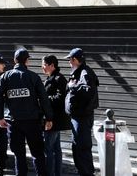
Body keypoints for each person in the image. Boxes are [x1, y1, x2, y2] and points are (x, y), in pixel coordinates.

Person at [0, 48, 53, 176]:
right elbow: (44, 99)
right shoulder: (33, 77)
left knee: (19, 155)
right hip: (32, 122)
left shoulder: (5, 77)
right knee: (37, 154)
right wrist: (49, 118)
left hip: (14, 123)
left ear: (14, 60)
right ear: (27, 61)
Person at [64, 48, 99, 176]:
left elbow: (89, 91)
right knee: (78, 147)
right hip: (78, 116)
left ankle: (87, 173)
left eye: (70, 59)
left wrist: (74, 87)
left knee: (82, 147)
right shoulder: (79, 71)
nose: (69, 62)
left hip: (82, 117)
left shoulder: (85, 72)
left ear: (75, 59)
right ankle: (84, 172)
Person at [41, 55, 71, 176]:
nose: (42, 67)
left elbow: (61, 97)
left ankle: (50, 173)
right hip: (53, 119)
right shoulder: (51, 78)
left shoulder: (59, 79)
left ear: (52, 65)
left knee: (49, 149)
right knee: (56, 149)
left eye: (44, 64)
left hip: (54, 120)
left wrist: (44, 99)